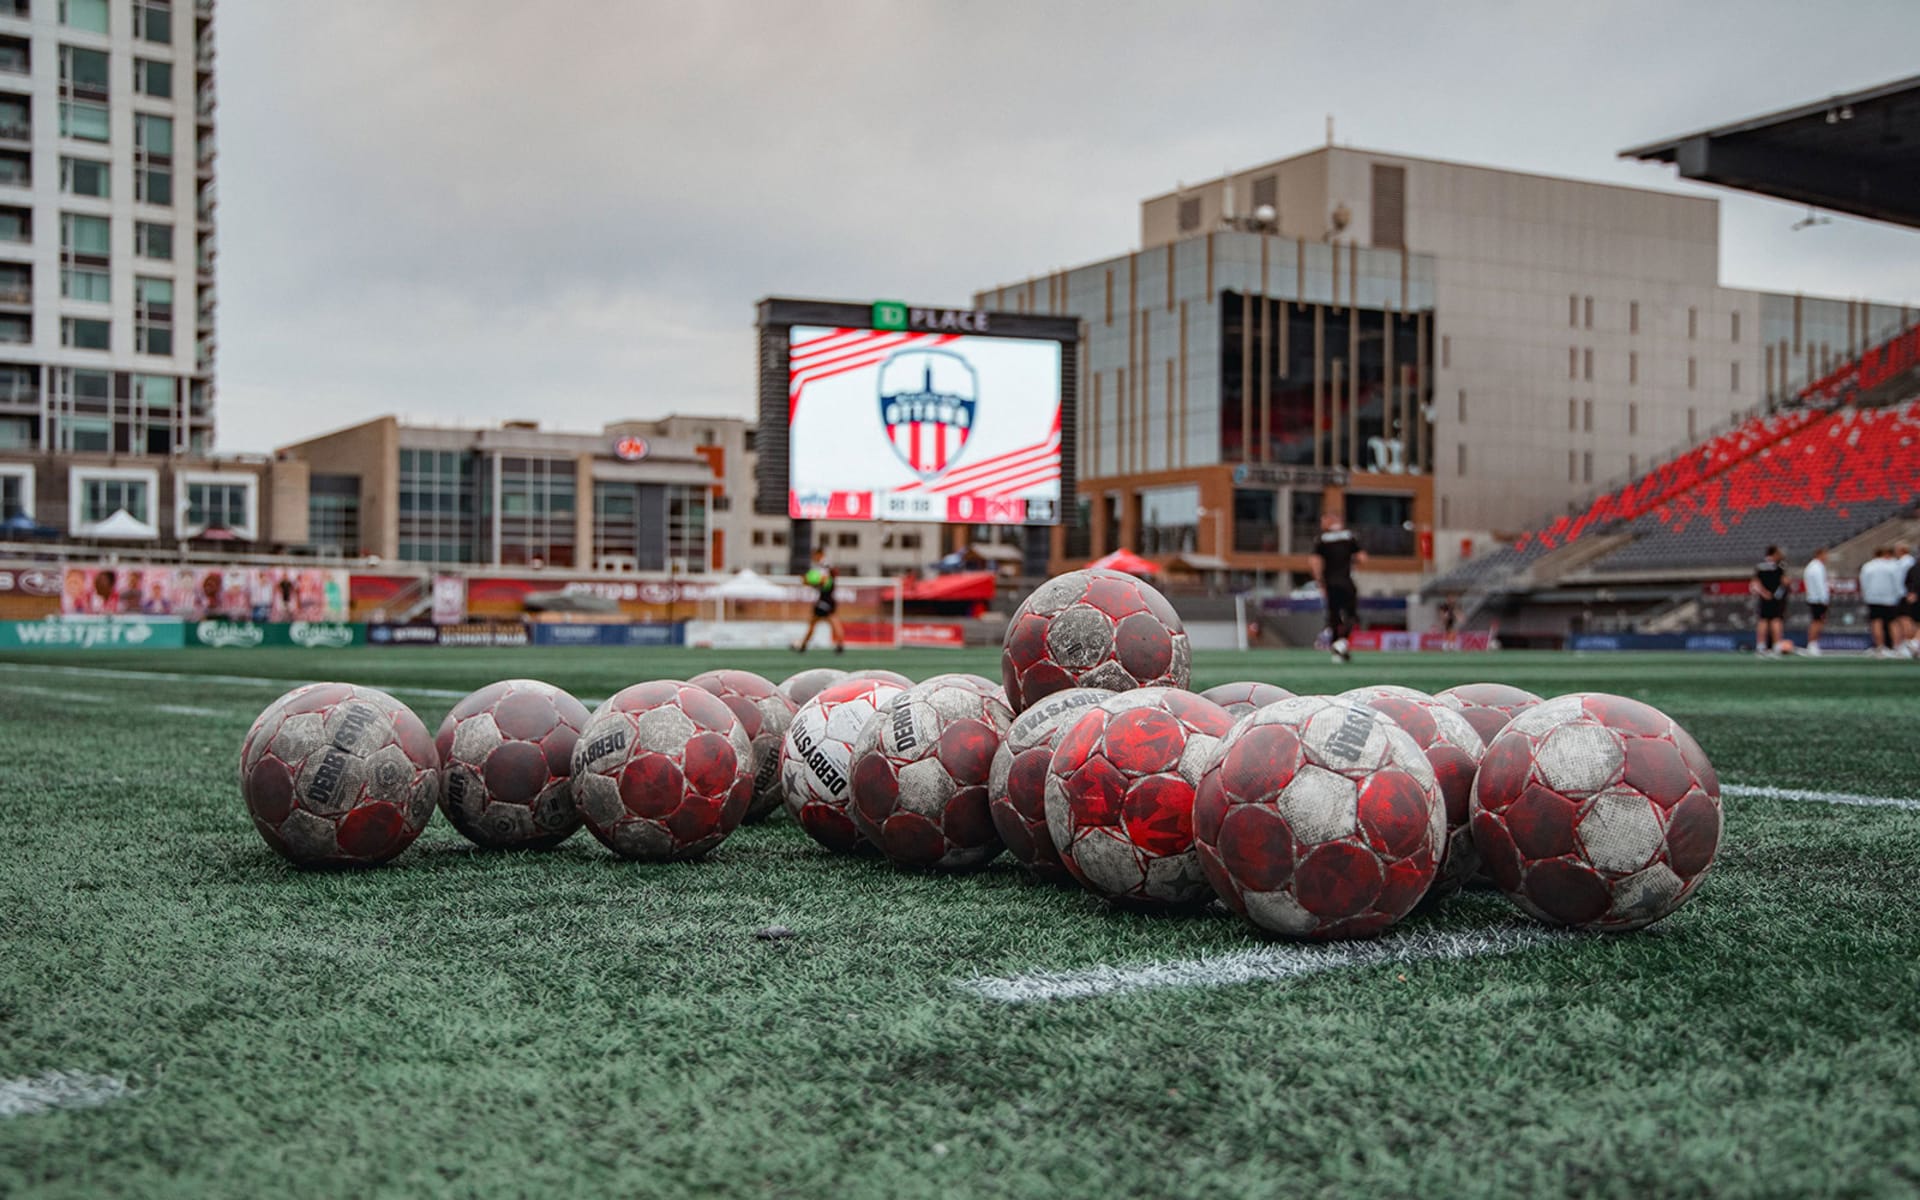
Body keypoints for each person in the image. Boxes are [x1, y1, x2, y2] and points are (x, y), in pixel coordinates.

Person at [1310, 510, 1365, 663]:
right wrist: (1349, 562)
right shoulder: (1349, 536)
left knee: (1334, 616)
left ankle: (1336, 648)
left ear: (1330, 521)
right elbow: (1362, 557)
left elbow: (1314, 562)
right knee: (1352, 615)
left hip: (1330, 582)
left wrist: (1320, 580)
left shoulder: (1321, 539)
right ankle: (1342, 643)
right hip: (1346, 581)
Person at [792, 547, 845, 654]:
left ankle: (803, 645)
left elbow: (824, 581)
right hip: (829, 598)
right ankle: (839, 645)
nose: (813, 558)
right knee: (832, 620)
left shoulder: (824, 565)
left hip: (825, 598)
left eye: (814, 555)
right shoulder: (827, 565)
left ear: (819, 554)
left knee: (815, 621)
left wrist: (809, 582)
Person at [1860, 546, 1901, 658]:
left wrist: (1867, 595)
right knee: (1893, 622)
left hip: (1873, 599)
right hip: (1890, 599)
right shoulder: (1892, 566)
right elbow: (1898, 582)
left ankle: (1880, 647)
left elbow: (1864, 583)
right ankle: (1896, 647)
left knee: (1876, 622)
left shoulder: (1868, 566)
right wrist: (1898, 595)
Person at [1751, 545, 1788, 657]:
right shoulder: (1780, 567)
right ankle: (1776, 646)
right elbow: (1785, 582)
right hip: (1776, 598)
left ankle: (1761, 646)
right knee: (1775, 621)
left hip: (1764, 598)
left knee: (1763, 620)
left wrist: (1763, 593)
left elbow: (1755, 583)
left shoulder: (1760, 567)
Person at [1802, 547, 1831, 657]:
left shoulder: (1812, 566)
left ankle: (1813, 643)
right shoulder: (1817, 567)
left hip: (1813, 597)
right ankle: (1812, 644)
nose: (1827, 557)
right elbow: (1820, 584)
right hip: (1818, 599)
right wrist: (1824, 599)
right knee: (1817, 621)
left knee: (1817, 621)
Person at [1896, 541, 1918, 657]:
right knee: (1907, 620)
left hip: (1907, 594)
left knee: (1907, 620)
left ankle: (1912, 642)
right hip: (1906, 594)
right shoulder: (1908, 562)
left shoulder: (1908, 562)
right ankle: (1912, 643)